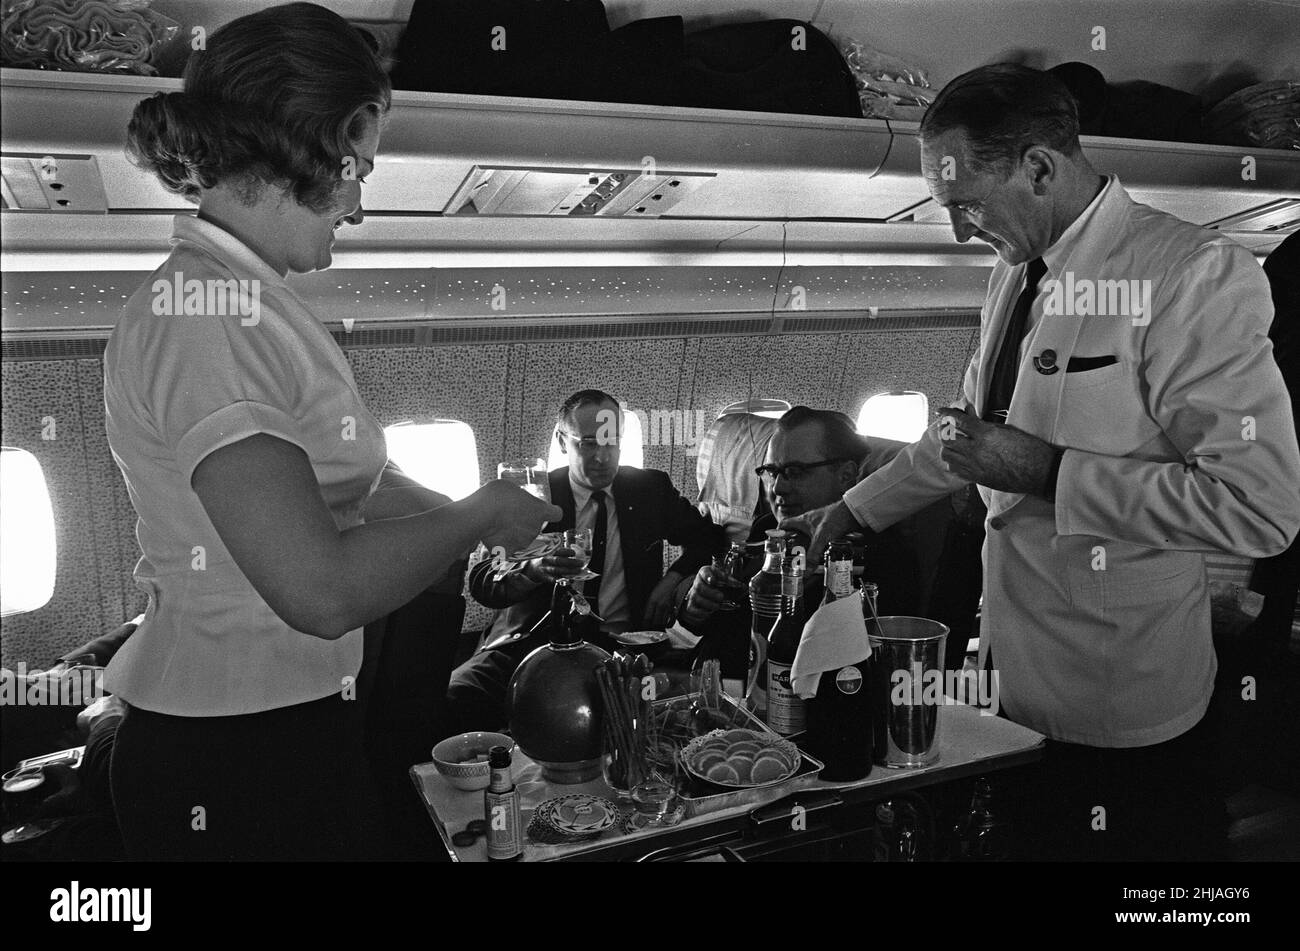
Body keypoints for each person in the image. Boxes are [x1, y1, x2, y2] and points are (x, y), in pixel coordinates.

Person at [788, 64, 1300, 861]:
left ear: (1038, 167)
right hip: (1012, 691)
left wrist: (1052, 472)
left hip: (1123, 709)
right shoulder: (1013, 272)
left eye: (964, 203)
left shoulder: (1188, 273)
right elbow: (966, 438)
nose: (958, 230)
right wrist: (854, 509)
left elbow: (1258, 503)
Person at [104, 3, 558, 861]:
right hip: (231, 759)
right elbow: (319, 590)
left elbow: (348, 485)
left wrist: (483, 526)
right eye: (356, 167)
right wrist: (475, 514)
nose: (356, 200)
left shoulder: (249, 301)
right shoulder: (203, 318)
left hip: (279, 731)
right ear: (297, 145)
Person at [447, 389, 727, 731]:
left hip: (620, 644)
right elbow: (484, 580)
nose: (601, 456)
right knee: (457, 695)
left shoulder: (648, 489)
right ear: (563, 442)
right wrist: (534, 570)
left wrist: (673, 580)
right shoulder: (534, 493)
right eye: (589, 443)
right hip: (530, 641)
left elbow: (709, 538)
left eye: (612, 442)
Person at [676, 406, 922, 680]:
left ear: (846, 475)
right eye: (772, 471)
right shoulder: (766, 530)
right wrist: (694, 610)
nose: (778, 488)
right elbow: (718, 636)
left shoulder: (881, 557)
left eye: (795, 471)